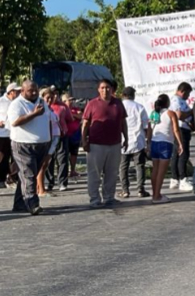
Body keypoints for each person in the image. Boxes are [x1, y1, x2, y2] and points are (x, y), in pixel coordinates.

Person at [4, 80, 52, 215]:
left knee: (27, 175)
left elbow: (48, 119)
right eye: (31, 90)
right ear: (23, 91)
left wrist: (49, 139)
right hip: (23, 145)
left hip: (41, 144)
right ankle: (32, 203)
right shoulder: (16, 104)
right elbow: (15, 122)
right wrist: (34, 114)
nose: (35, 93)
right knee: (29, 175)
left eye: (36, 89)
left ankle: (19, 203)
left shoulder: (41, 102)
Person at [82, 79, 127, 208]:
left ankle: (109, 197)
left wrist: (126, 138)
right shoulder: (92, 104)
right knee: (94, 173)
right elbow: (85, 124)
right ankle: (95, 199)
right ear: (98, 89)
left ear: (112, 89)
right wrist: (84, 140)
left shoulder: (118, 103)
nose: (105, 90)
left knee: (112, 173)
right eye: (102, 87)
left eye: (108, 88)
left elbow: (123, 122)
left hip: (115, 143)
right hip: (96, 144)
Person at [119, 87, 152, 199]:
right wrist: (148, 142)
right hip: (138, 141)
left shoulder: (118, 107)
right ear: (133, 95)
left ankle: (125, 190)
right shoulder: (140, 107)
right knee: (140, 166)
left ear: (122, 95)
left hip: (123, 141)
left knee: (123, 167)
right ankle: (140, 190)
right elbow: (146, 126)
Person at [148, 95, 179, 204]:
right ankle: (157, 196)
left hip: (154, 142)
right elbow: (176, 130)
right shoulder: (170, 113)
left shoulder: (153, 113)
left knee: (155, 170)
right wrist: (180, 143)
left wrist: (148, 143)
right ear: (167, 103)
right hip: (166, 143)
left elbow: (149, 129)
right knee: (161, 172)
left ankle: (155, 194)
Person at [168, 83, 194, 192]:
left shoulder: (181, 101)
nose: (188, 96)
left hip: (184, 129)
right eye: (188, 93)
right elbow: (179, 115)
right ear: (182, 91)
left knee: (178, 153)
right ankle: (182, 179)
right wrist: (191, 111)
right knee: (183, 153)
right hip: (180, 130)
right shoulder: (176, 100)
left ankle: (175, 178)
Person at [49, 92, 76, 193]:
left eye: (56, 94)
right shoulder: (44, 106)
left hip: (62, 136)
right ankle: (49, 183)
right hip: (48, 137)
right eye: (52, 95)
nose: (54, 97)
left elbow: (70, 119)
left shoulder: (63, 106)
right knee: (49, 160)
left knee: (62, 159)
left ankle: (62, 183)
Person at [38, 87, 62, 197]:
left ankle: (40, 187)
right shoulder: (41, 109)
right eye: (47, 98)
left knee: (45, 164)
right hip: (48, 139)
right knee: (43, 165)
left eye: (51, 98)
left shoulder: (50, 109)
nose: (49, 100)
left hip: (54, 139)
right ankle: (41, 189)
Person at [61, 92, 82, 184]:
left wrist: (73, 115)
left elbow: (81, 116)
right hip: (65, 134)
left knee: (74, 153)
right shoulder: (62, 109)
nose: (71, 102)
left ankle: (73, 170)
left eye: (71, 100)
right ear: (64, 101)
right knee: (64, 155)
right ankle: (63, 173)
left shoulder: (75, 109)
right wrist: (72, 116)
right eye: (69, 100)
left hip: (75, 134)